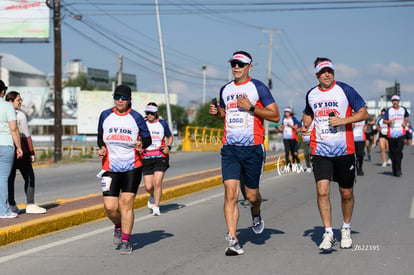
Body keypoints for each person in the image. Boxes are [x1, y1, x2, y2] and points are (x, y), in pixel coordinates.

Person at [209, 51, 280, 256]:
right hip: (230, 148)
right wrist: (217, 113)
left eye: (240, 64)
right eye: (233, 64)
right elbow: (225, 114)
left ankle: (256, 212)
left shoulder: (258, 88)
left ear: (249, 67)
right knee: (230, 193)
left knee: (251, 195)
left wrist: (251, 107)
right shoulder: (226, 89)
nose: (236, 67)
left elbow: (275, 116)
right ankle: (233, 239)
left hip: (253, 149)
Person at [302, 57, 369, 251]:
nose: (327, 74)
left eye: (329, 70)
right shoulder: (312, 94)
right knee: (322, 191)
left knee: (346, 193)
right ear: (317, 75)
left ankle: (345, 228)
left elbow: (364, 113)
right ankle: (328, 232)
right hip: (320, 149)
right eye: (323, 72)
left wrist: (343, 120)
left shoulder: (345, 90)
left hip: (344, 150)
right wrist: (306, 126)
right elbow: (308, 113)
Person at [97, 84, 152, 254]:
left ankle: (126, 241)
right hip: (110, 166)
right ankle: (118, 226)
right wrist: (102, 148)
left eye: (123, 98)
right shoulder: (105, 115)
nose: (119, 100)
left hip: (132, 165)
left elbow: (147, 139)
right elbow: (100, 137)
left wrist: (142, 144)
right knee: (110, 208)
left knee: (126, 204)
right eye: (117, 97)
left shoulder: (136, 118)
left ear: (129, 100)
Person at [5, 91, 46, 214]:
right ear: (10, 101)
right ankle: (30, 204)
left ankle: (11, 204)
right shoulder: (20, 115)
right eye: (18, 100)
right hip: (21, 150)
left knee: (10, 179)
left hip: (7, 149)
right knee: (29, 177)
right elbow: (26, 135)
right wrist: (31, 152)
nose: (21, 102)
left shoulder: (3, 114)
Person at [142, 102, 173, 216]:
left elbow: (170, 137)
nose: (149, 115)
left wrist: (168, 147)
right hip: (146, 157)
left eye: (152, 113)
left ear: (156, 113)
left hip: (160, 156)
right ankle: (153, 195)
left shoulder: (162, 123)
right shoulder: (143, 124)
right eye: (147, 113)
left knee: (157, 182)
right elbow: (137, 137)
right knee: (148, 186)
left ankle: (156, 206)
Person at [0, 80, 23, 218]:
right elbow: (13, 129)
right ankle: (3, 211)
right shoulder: (7, 107)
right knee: (2, 179)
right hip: (6, 146)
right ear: (3, 92)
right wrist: (19, 147)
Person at [383, 95, 409, 177]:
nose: (395, 102)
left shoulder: (403, 109)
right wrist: (389, 121)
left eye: (396, 100)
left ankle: (398, 169)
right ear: (392, 102)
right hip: (391, 134)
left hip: (401, 133)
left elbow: (406, 116)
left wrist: (405, 122)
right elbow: (384, 121)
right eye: (393, 100)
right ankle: (394, 168)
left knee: (398, 152)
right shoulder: (389, 110)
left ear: (399, 101)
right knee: (392, 153)